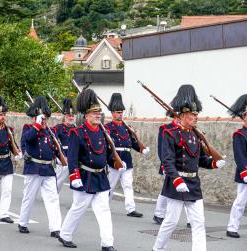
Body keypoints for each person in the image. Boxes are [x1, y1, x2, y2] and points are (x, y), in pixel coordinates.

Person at [152, 85, 225, 251]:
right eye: (193, 114)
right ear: (183, 115)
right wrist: (177, 180)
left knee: (199, 223)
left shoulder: (194, 135)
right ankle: (158, 248)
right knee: (170, 221)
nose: (196, 117)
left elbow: (199, 160)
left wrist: (214, 163)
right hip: (177, 183)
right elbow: (167, 160)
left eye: (197, 114)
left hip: (193, 183)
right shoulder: (170, 133)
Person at [59, 89, 117, 251]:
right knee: (79, 207)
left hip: (101, 177)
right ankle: (65, 234)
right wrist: (74, 176)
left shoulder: (103, 132)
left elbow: (106, 153)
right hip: (84, 176)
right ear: (86, 115)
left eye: (99, 113)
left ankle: (107, 243)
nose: (98, 115)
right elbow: (71, 158)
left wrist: (117, 163)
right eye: (94, 113)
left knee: (104, 210)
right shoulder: (77, 133)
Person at [18, 96, 62, 238]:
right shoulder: (29, 128)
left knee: (53, 199)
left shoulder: (51, 132)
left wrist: (61, 158)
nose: (45, 121)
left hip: (48, 169)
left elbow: (56, 149)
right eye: (42, 118)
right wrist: (37, 125)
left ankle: (56, 228)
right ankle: (23, 222)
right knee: (29, 197)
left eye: (46, 118)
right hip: (34, 168)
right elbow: (27, 139)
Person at [105, 93, 149, 218]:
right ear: (112, 113)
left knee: (128, 185)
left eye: (121, 112)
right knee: (111, 185)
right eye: (118, 112)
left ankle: (131, 209)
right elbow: (107, 147)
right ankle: (104, 206)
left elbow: (132, 143)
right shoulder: (107, 128)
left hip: (127, 159)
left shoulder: (126, 128)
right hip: (114, 160)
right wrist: (111, 161)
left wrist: (142, 149)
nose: (120, 114)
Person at [226, 94, 247, 238]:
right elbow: (240, 157)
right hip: (245, 173)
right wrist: (245, 173)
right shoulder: (239, 134)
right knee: (240, 202)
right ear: (244, 117)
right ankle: (232, 227)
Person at [52, 98, 76, 192]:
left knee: (76, 181)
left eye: (72, 116)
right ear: (65, 116)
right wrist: (59, 156)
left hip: (74, 158)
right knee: (58, 181)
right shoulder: (58, 128)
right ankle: (52, 195)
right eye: (69, 116)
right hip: (63, 157)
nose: (71, 118)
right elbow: (54, 142)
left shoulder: (76, 128)